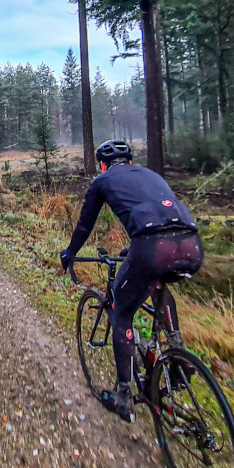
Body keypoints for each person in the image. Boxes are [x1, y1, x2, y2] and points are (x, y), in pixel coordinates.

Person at [60, 140, 203, 422]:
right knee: (157, 281)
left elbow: (85, 225)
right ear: (130, 161)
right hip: (191, 245)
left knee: (122, 312)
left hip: (151, 247)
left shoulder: (103, 180)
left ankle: (124, 395)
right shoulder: (152, 175)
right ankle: (177, 351)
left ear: (103, 164)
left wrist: (70, 253)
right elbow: (162, 215)